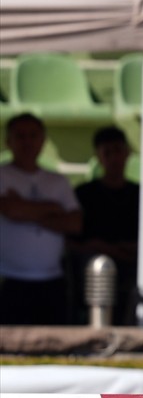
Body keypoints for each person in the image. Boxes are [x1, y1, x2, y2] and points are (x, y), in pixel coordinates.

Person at [0, 113, 83, 325]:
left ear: (43, 140)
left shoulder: (58, 181)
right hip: (9, 278)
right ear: (8, 141)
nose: (27, 141)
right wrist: (53, 209)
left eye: (32, 135)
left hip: (51, 280)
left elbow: (75, 223)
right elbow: (10, 209)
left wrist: (27, 211)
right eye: (20, 136)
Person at [70, 126, 140, 325]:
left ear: (127, 153)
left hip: (134, 259)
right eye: (107, 153)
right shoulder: (84, 193)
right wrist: (102, 248)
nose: (114, 158)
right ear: (98, 157)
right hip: (95, 264)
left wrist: (128, 250)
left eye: (118, 151)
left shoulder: (141, 194)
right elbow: (72, 241)